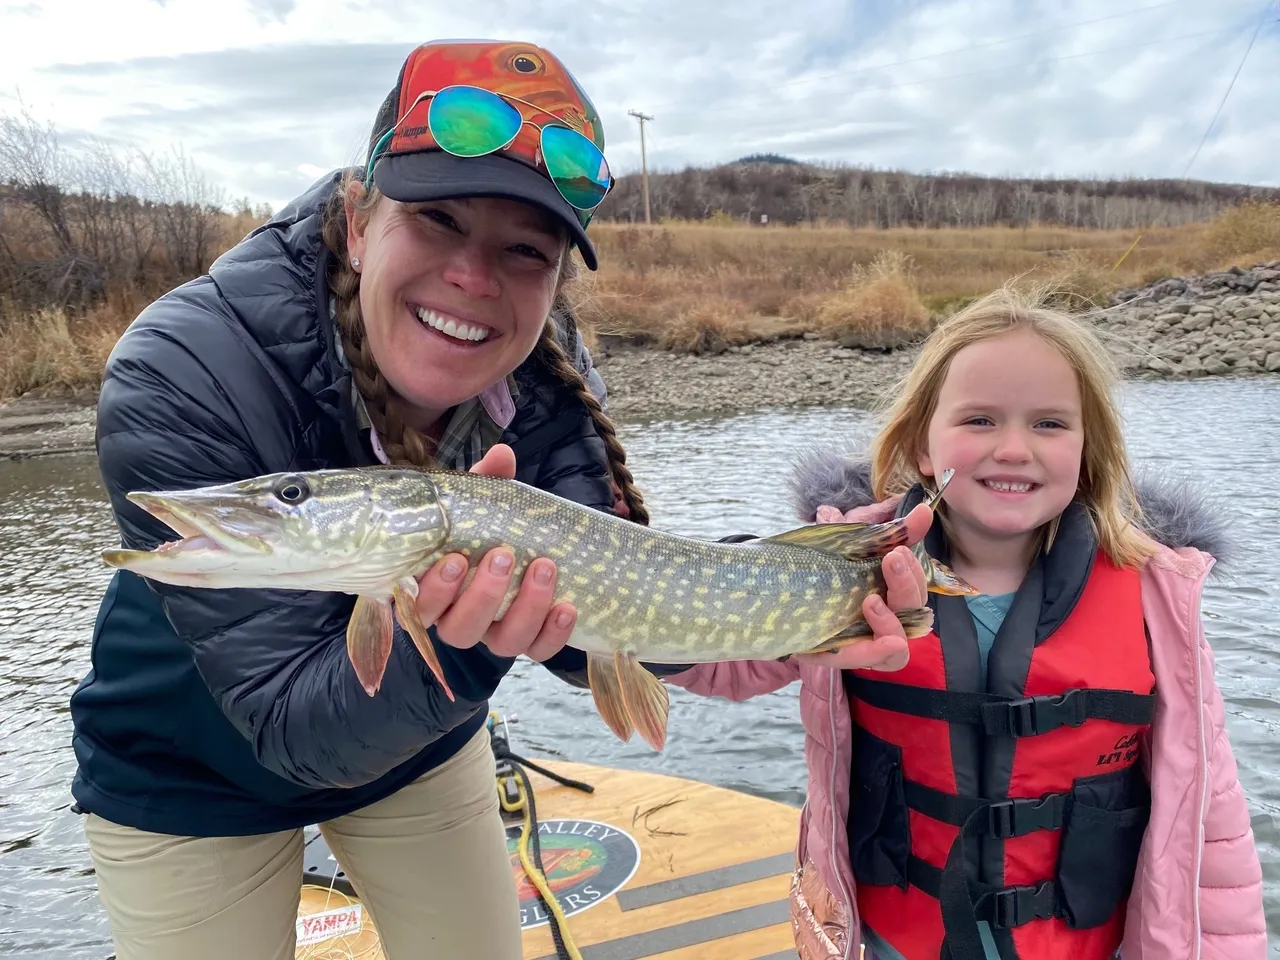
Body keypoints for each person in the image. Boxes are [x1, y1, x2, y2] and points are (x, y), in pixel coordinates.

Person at [69, 38, 686, 960]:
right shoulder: (185, 367)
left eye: (524, 249)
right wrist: (459, 640)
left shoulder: (542, 371)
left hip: (417, 750)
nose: (475, 279)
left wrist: (771, 631)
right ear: (358, 221)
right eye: (437, 219)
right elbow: (294, 727)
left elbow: (602, 613)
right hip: (182, 774)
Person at [666, 284, 1268, 960]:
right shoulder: (846, 564)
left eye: (1048, 424)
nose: (1013, 449)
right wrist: (639, 627)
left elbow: (1212, 829)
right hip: (895, 942)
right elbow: (723, 655)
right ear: (923, 447)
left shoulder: (1160, 598)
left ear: (1088, 449)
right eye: (979, 420)